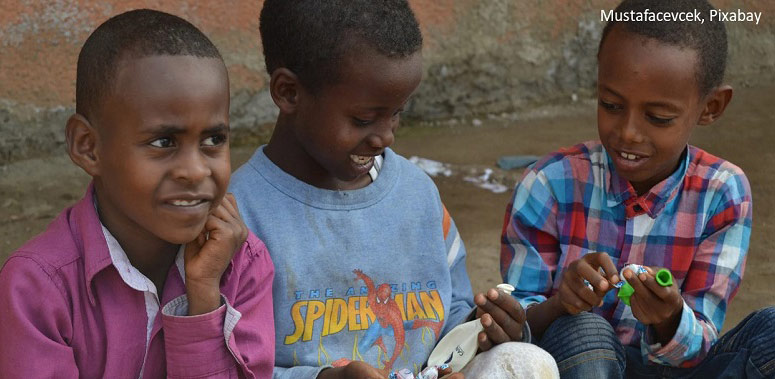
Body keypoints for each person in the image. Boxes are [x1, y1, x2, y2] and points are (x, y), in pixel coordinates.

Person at [229, 1, 556, 378]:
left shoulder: (417, 195)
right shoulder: (243, 215)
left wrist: (479, 327)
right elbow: (230, 365)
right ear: (288, 93)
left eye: (398, 112)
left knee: (528, 364)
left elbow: (448, 311)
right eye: (363, 119)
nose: (385, 136)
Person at [500, 0, 775, 377]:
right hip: (578, 364)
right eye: (610, 104)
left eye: (658, 118)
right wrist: (561, 304)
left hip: (677, 370)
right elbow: (514, 330)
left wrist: (669, 318)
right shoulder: (549, 183)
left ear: (711, 106)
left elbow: (702, 338)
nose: (628, 132)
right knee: (587, 331)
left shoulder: (722, 193)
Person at [0, 9, 275, 378]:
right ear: (88, 147)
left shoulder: (240, 265)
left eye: (214, 140)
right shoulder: (38, 288)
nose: (196, 171)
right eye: (163, 142)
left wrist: (204, 296)